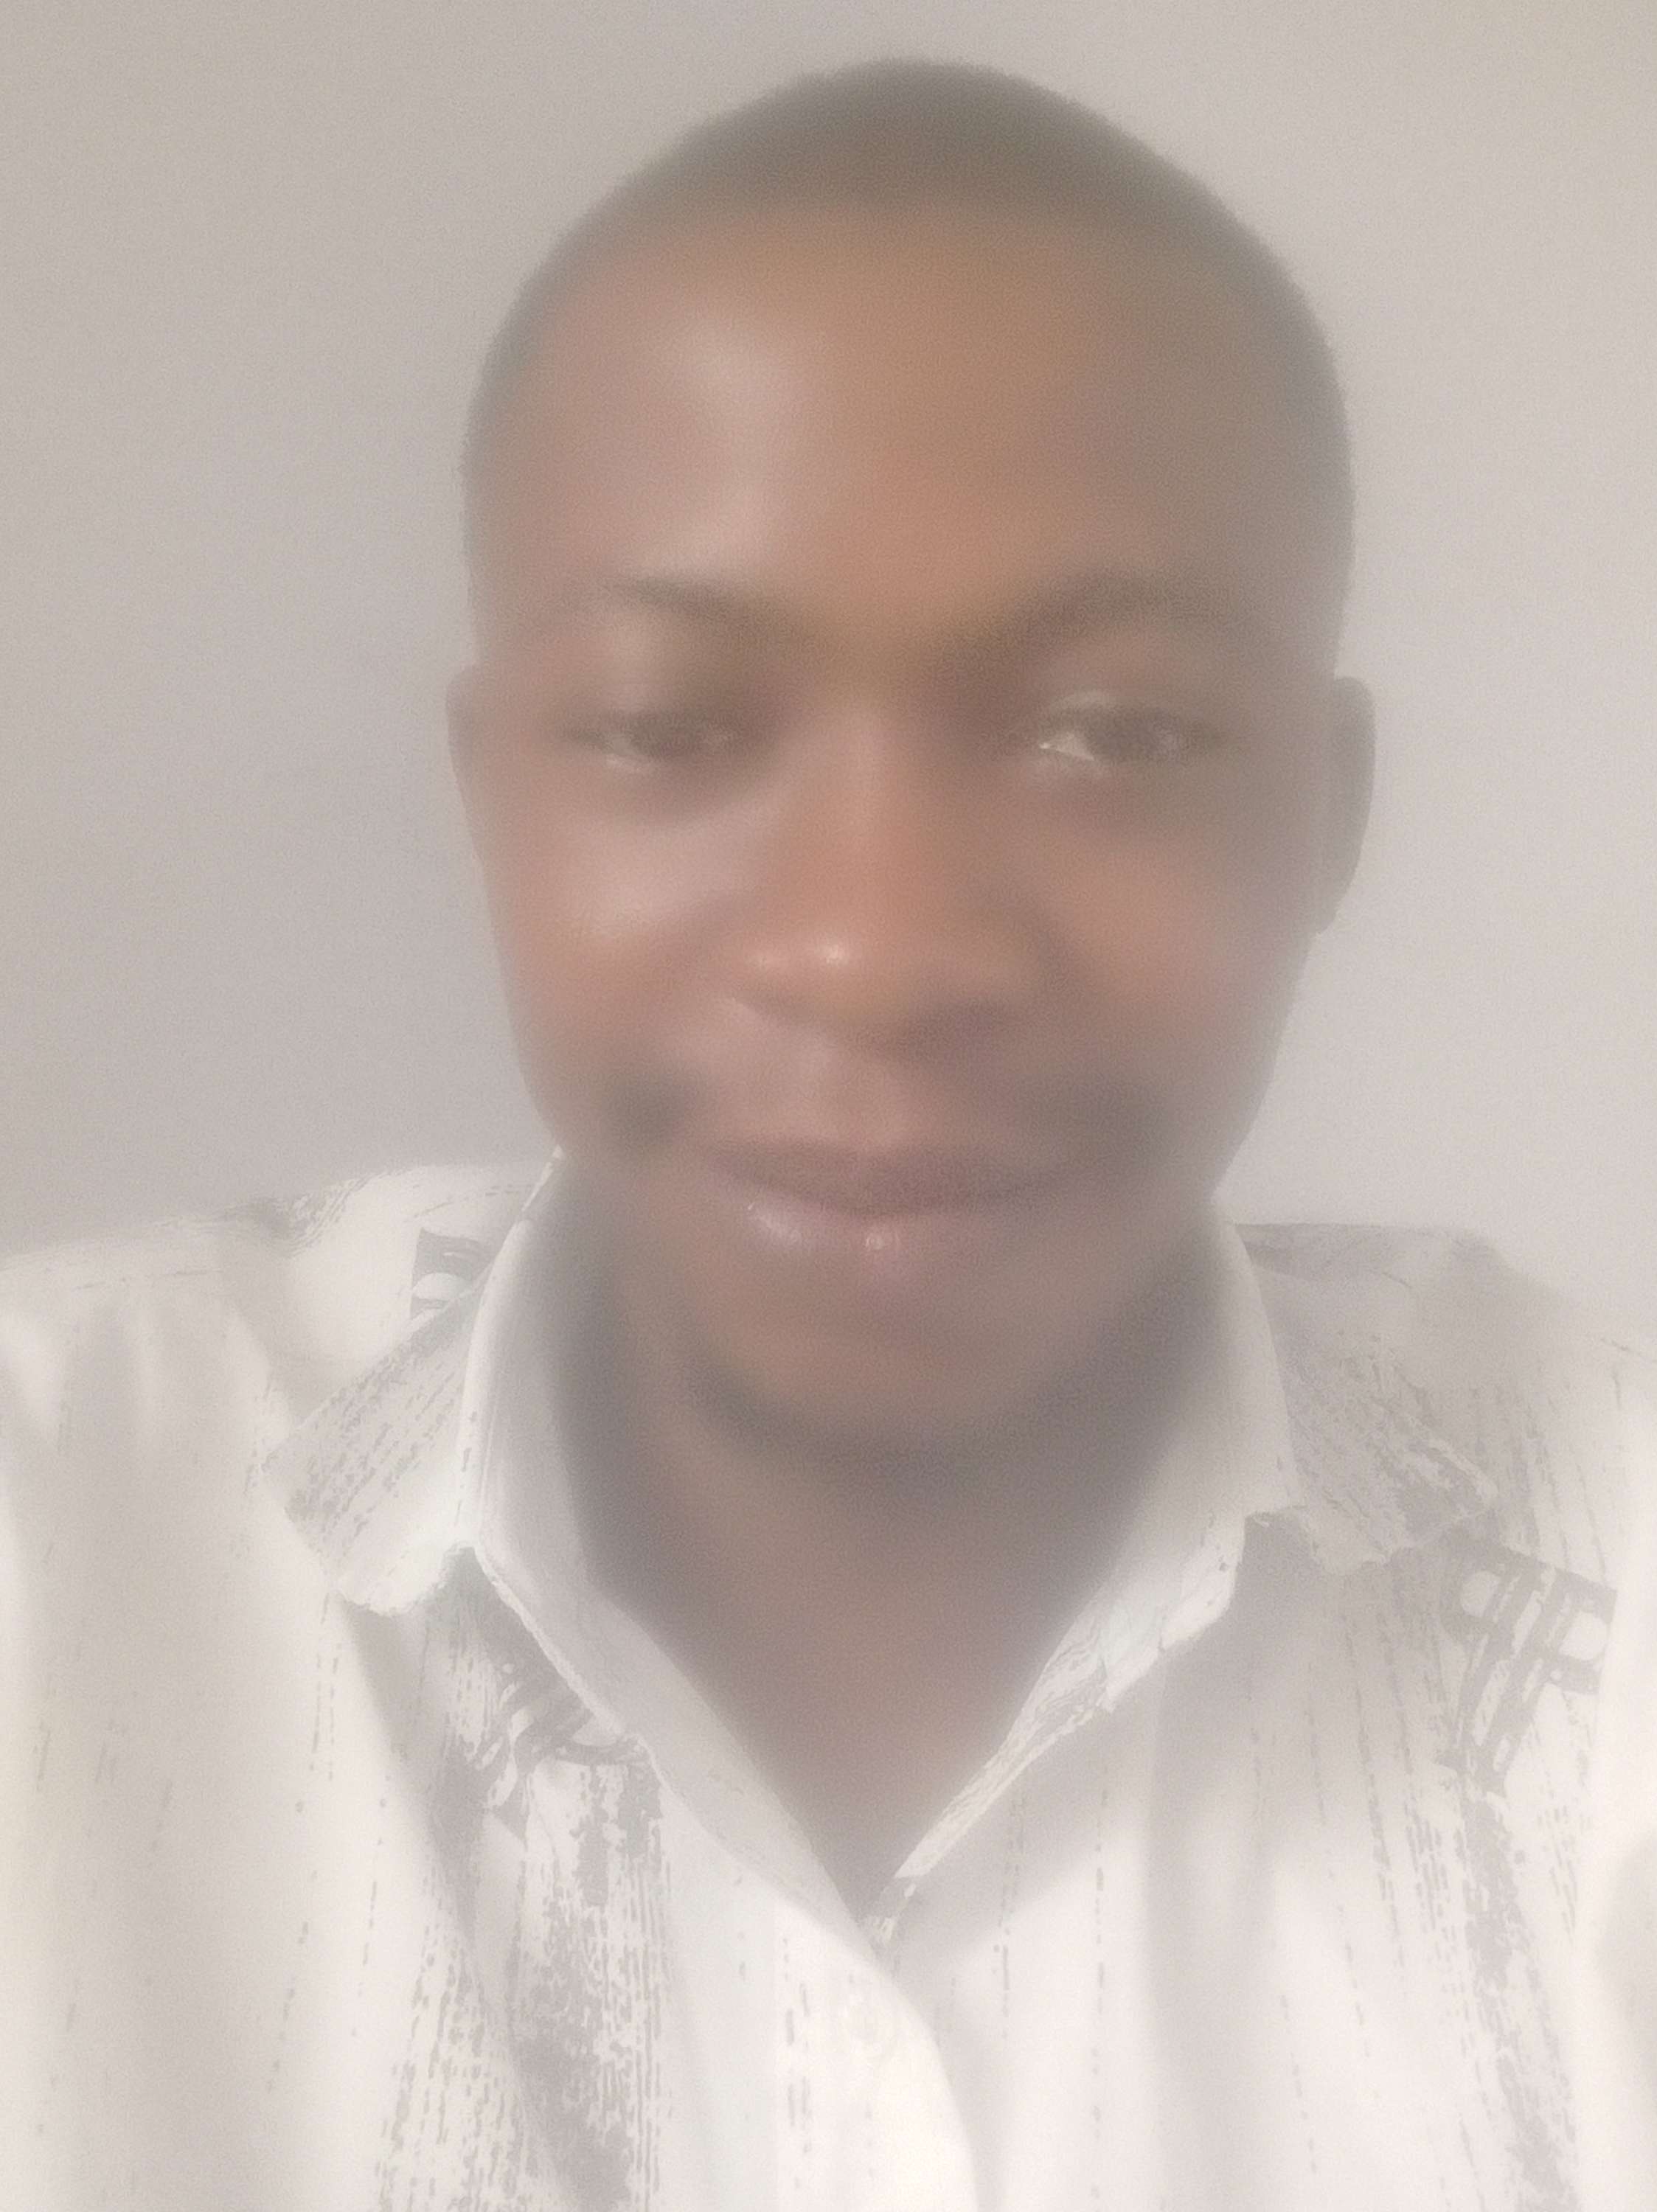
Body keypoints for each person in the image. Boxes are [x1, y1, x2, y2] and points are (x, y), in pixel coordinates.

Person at [1, 56, 1652, 2212]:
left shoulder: (1610, 1595)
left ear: (1325, 820)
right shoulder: (56, 1533)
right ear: (492, 798)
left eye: (1118, 733)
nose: (877, 952)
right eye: (666, 728)